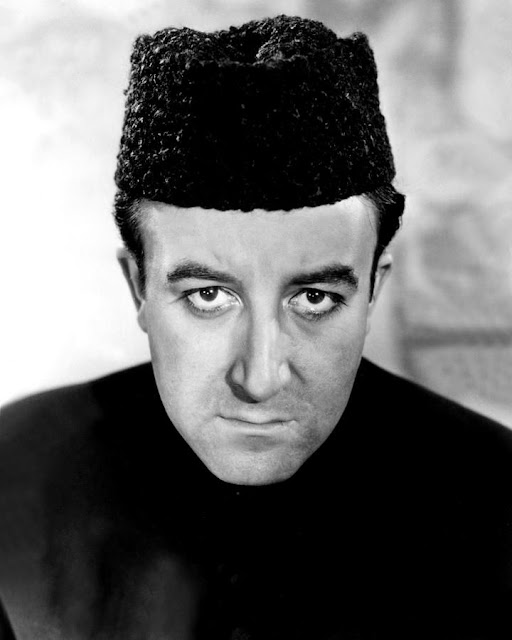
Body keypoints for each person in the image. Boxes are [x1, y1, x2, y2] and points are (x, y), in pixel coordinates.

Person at [0, 14, 511, 640]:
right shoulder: (15, 475)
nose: (260, 379)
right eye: (209, 296)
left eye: (315, 298)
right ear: (139, 286)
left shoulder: (499, 505)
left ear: (374, 288)